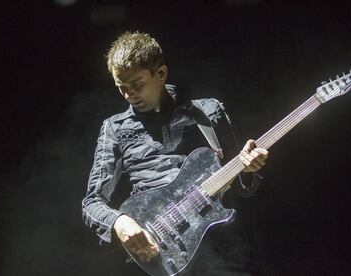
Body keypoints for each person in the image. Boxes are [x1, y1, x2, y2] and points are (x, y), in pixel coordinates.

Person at [82, 31, 269, 275]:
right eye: (121, 88)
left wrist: (247, 168)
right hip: (158, 255)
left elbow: (241, 186)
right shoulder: (115, 128)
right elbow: (92, 202)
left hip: (221, 250)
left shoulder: (207, 111)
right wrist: (120, 222)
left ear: (161, 73)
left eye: (136, 85)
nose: (129, 95)